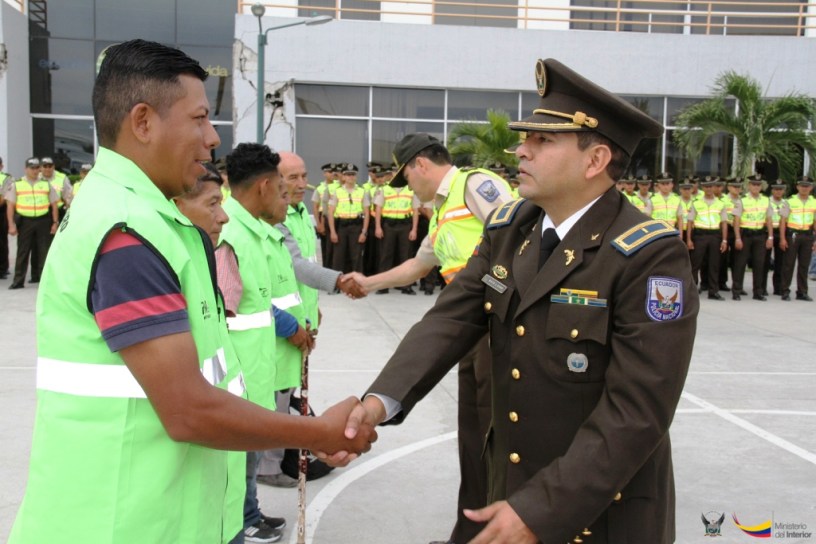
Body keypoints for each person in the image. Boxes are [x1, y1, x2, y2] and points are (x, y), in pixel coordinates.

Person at [7, 39, 376, 544]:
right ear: (143, 122)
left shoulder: (155, 218)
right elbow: (186, 409)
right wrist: (316, 433)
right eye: (200, 119)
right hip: (123, 523)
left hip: (171, 514)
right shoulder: (126, 232)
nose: (211, 141)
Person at [330, 58, 698, 544]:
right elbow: (450, 320)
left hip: (599, 512)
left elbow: (637, 411)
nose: (519, 150)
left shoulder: (648, 255)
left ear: (595, 160)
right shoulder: (512, 228)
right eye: (526, 137)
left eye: (541, 140)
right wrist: (378, 401)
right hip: (511, 491)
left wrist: (542, 510)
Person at [346, 132, 514, 544]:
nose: (410, 191)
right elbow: (419, 266)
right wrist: (368, 283)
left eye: (406, 179)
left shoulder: (474, 185)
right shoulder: (441, 212)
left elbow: (517, 236)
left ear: (420, 164)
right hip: (467, 325)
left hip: (500, 319)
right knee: (473, 433)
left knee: (497, 435)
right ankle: (470, 532)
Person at [216, 143, 319, 543]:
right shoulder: (232, 234)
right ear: (262, 187)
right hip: (240, 372)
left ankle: (250, 513)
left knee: (251, 451)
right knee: (239, 457)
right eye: (281, 188)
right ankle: (238, 522)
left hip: (261, 366)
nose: (288, 197)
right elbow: (226, 310)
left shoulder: (260, 232)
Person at [6, 157, 59, 289]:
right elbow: (10, 206)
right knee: (23, 252)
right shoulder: (17, 184)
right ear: (26, 169)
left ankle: (44, 281)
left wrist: (55, 222)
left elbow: (54, 205)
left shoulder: (46, 184)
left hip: (43, 220)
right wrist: (11, 225)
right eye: (32, 168)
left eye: (37, 168)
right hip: (25, 221)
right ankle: (18, 280)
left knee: (44, 252)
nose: (35, 171)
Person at [373, 163, 420, 294]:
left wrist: (414, 229)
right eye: (393, 172)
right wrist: (378, 227)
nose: (395, 174)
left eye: (397, 172)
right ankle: (383, 286)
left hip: (405, 225)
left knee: (405, 256)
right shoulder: (385, 189)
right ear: (390, 174)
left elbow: (415, 210)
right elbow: (378, 209)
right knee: (386, 255)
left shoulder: (410, 189)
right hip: (389, 225)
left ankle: (406, 286)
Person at [731, 176, 772, 301]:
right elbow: (736, 222)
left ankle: (758, 292)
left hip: (760, 235)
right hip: (746, 235)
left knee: (759, 264)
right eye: (753, 185)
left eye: (758, 185)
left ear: (761, 187)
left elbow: (769, 220)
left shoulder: (766, 200)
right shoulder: (742, 201)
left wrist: (770, 237)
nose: (755, 187)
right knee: (740, 264)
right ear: (749, 186)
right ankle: (737, 291)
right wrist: (737, 238)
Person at [687, 177, 728, 300]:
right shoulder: (696, 203)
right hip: (700, 235)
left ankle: (713, 291)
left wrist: (724, 240)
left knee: (714, 264)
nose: (709, 189)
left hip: (715, 235)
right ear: (702, 187)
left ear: (714, 187)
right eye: (706, 186)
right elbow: (690, 222)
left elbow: (724, 223)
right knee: (696, 263)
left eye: (711, 186)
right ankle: (692, 289)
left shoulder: (720, 203)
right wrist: (689, 239)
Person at [327, 163, 370, 273]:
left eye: (353, 175)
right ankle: (336, 284)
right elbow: (330, 212)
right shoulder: (337, 192)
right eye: (348, 175)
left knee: (356, 257)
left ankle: (358, 283)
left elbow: (366, 213)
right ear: (344, 176)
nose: (351, 177)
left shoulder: (362, 191)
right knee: (338, 256)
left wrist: (364, 232)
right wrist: (332, 232)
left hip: (356, 226)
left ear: (356, 176)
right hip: (342, 226)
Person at [780, 176, 816, 301]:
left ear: (811, 187)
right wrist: (782, 238)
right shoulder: (789, 201)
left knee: (804, 265)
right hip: (793, 235)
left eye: (807, 186)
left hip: (808, 235)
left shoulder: (814, 202)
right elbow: (783, 221)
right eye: (802, 186)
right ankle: (785, 291)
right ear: (797, 187)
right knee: (788, 264)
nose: (804, 188)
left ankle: (802, 292)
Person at [0, 156, 12, 279]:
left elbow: (3, 198)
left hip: (1, 212)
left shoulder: (5, 178)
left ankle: (3, 269)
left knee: (1, 242)